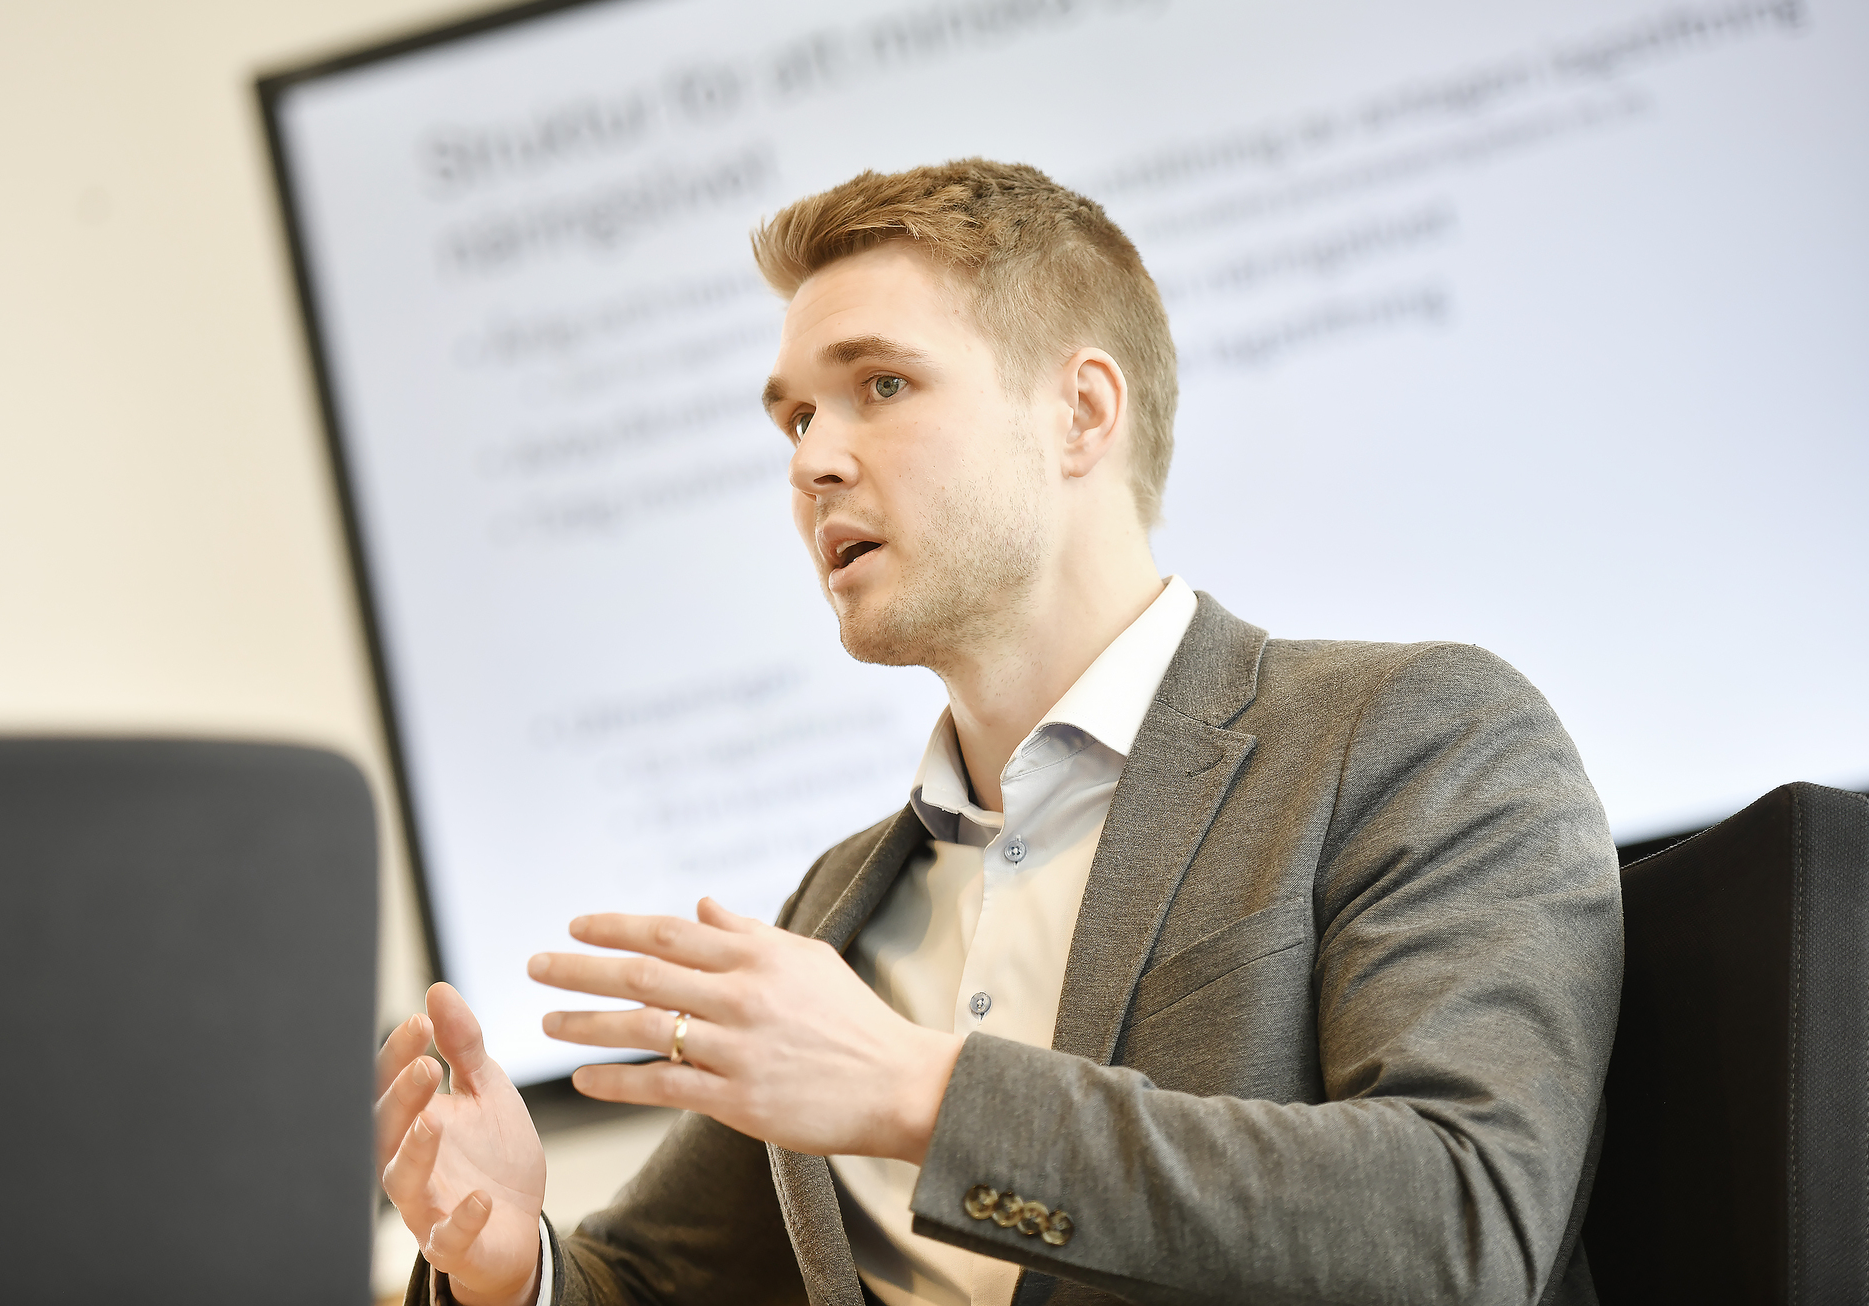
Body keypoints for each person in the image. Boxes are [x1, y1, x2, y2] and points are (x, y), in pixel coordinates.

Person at [375, 159, 1622, 1306]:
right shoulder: (839, 904)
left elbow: (1464, 1222)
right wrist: (507, 1262)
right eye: (794, 419)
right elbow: (650, 1284)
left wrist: (914, 1090)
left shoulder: (1412, 736)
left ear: (1080, 412)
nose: (811, 461)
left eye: (879, 385)